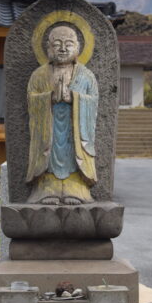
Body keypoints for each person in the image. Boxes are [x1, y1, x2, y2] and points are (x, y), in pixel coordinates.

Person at [25, 25, 98, 204]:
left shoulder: (86, 75)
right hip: (48, 129)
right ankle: (46, 190)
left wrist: (74, 98)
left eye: (69, 44)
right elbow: (31, 100)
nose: (63, 48)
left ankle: (77, 190)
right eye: (57, 44)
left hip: (75, 132)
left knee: (74, 155)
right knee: (48, 157)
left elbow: (93, 101)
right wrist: (49, 98)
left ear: (78, 48)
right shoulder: (39, 75)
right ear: (49, 48)